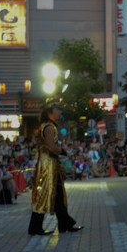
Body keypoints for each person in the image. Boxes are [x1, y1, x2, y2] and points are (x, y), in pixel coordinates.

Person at [28, 101, 83, 236]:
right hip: (47, 167)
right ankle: (35, 228)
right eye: (57, 110)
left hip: (50, 165)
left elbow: (49, 150)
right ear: (50, 112)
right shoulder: (49, 127)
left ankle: (65, 224)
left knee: (58, 195)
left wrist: (58, 164)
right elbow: (51, 147)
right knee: (44, 195)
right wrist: (65, 153)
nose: (60, 112)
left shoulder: (48, 126)